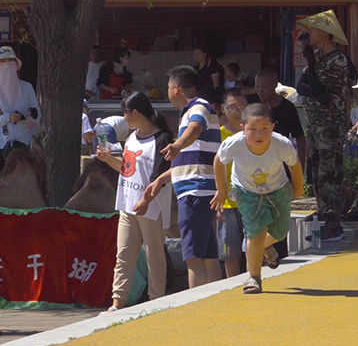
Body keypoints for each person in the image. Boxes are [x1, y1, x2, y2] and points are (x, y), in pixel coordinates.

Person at [211, 103, 305, 294]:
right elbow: (219, 161)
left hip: (278, 189)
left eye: (264, 129)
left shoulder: (281, 144)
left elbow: (294, 165)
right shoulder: (234, 144)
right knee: (255, 232)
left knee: (280, 232)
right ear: (243, 129)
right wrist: (221, 190)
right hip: (247, 192)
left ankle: (262, 247)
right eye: (253, 129)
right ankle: (253, 277)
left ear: (273, 127)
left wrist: (299, 187)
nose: (259, 134)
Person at [98, 91, 176, 310]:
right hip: (128, 205)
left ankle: (156, 300)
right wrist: (107, 159)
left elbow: (159, 178)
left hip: (151, 208)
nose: (124, 119)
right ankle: (117, 301)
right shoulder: (131, 137)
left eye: (125, 114)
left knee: (154, 255)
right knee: (123, 254)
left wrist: (145, 201)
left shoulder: (162, 139)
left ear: (135, 113)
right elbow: (126, 169)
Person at [161, 66, 225, 291]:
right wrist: (159, 181)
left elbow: (196, 128)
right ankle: (215, 298)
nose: (167, 91)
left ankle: (193, 302)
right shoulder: (196, 109)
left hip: (195, 191)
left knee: (193, 256)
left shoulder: (197, 107)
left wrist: (177, 144)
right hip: (200, 189)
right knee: (207, 254)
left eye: (168, 87)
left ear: (176, 88)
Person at [296, 10, 355, 239]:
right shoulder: (318, 58)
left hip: (329, 125)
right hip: (315, 123)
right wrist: (311, 65)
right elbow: (304, 87)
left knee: (329, 172)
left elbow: (320, 91)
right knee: (317, 170)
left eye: (313, 30)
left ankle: (333, 219)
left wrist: (310, 65)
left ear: (325, 32)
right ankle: (323, 211)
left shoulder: (337, 60)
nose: (309, 34)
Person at [0, 46, 40, 179]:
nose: (7, 66)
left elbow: (37, 116)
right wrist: (7, 118)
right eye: (2, 63)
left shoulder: (27, 88)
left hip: (23, 147)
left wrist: (31, 115)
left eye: (10, 62)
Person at [215, 88, 251, 278]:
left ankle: (253, 279)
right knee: (229, 252)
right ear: (223, 109)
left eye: (242, 106)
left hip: (251, 199)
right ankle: (231, 287)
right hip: (227, 202)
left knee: (253, 247)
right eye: (232, 107)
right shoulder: (217, 136)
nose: (237, 111)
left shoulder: (254, 133)